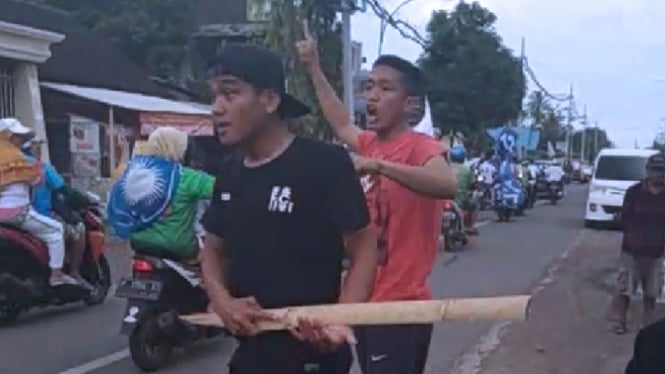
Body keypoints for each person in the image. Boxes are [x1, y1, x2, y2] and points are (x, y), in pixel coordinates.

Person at [200, 43, 378, 374]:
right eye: (213, 97)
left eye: (229, 94)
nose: (216, 109)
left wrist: (341, 320)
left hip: (313, 356)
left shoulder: (324, 164)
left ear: (269, 100)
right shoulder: (230, 171)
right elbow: (212, 249)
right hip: (251, 356)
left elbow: (364, 245)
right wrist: (223, 301)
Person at [298, 23, 456, 373]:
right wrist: (313, 66)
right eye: (369, 86)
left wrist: (379, 167)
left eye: (385, 88)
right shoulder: (370, 142)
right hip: (364, 299)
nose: (371, 96)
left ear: (408, 103)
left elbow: (446, 185)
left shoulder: (421, 146)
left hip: (401, 307)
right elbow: (340, 122)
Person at [107, 127, 215, 261]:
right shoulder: (186, 177)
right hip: (179, 248)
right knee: (212, 262)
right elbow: (222, 188)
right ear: (178, 148)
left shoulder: (133, 173)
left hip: (139, 243)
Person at [0, 118, 75, 286]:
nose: (21, 140)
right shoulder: (17, 158)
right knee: (57, 231)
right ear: (9, 137)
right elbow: (37, 181)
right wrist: (37, 160)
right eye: (18, 136)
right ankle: (56, 274)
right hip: (18, 213)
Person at [20, 135, 89, 285]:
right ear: (28, 147)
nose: (39, 149)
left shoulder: (9, 165)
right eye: (36, 145)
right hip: (37, 216)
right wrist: (85, 200)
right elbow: (63, 190)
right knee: (78, 229)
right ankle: (71, 272)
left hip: (11, 217)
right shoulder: (41, 167)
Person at [613, 153, 665, 334]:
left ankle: (648, 324)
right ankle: (620, 322)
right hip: (631, 251)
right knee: (624, 289)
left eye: (662, 171)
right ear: (648, 171)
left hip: (656, 252)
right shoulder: (634, 192)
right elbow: (624, 218)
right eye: (656, 170)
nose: (659, 175)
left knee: (652, 291)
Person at [450, 146, 478, 235]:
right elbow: (472, 184)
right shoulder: (467, 169)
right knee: (474, 204)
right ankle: (471, 226)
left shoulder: (446, 167)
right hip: (461, 198)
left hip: (444, 197)